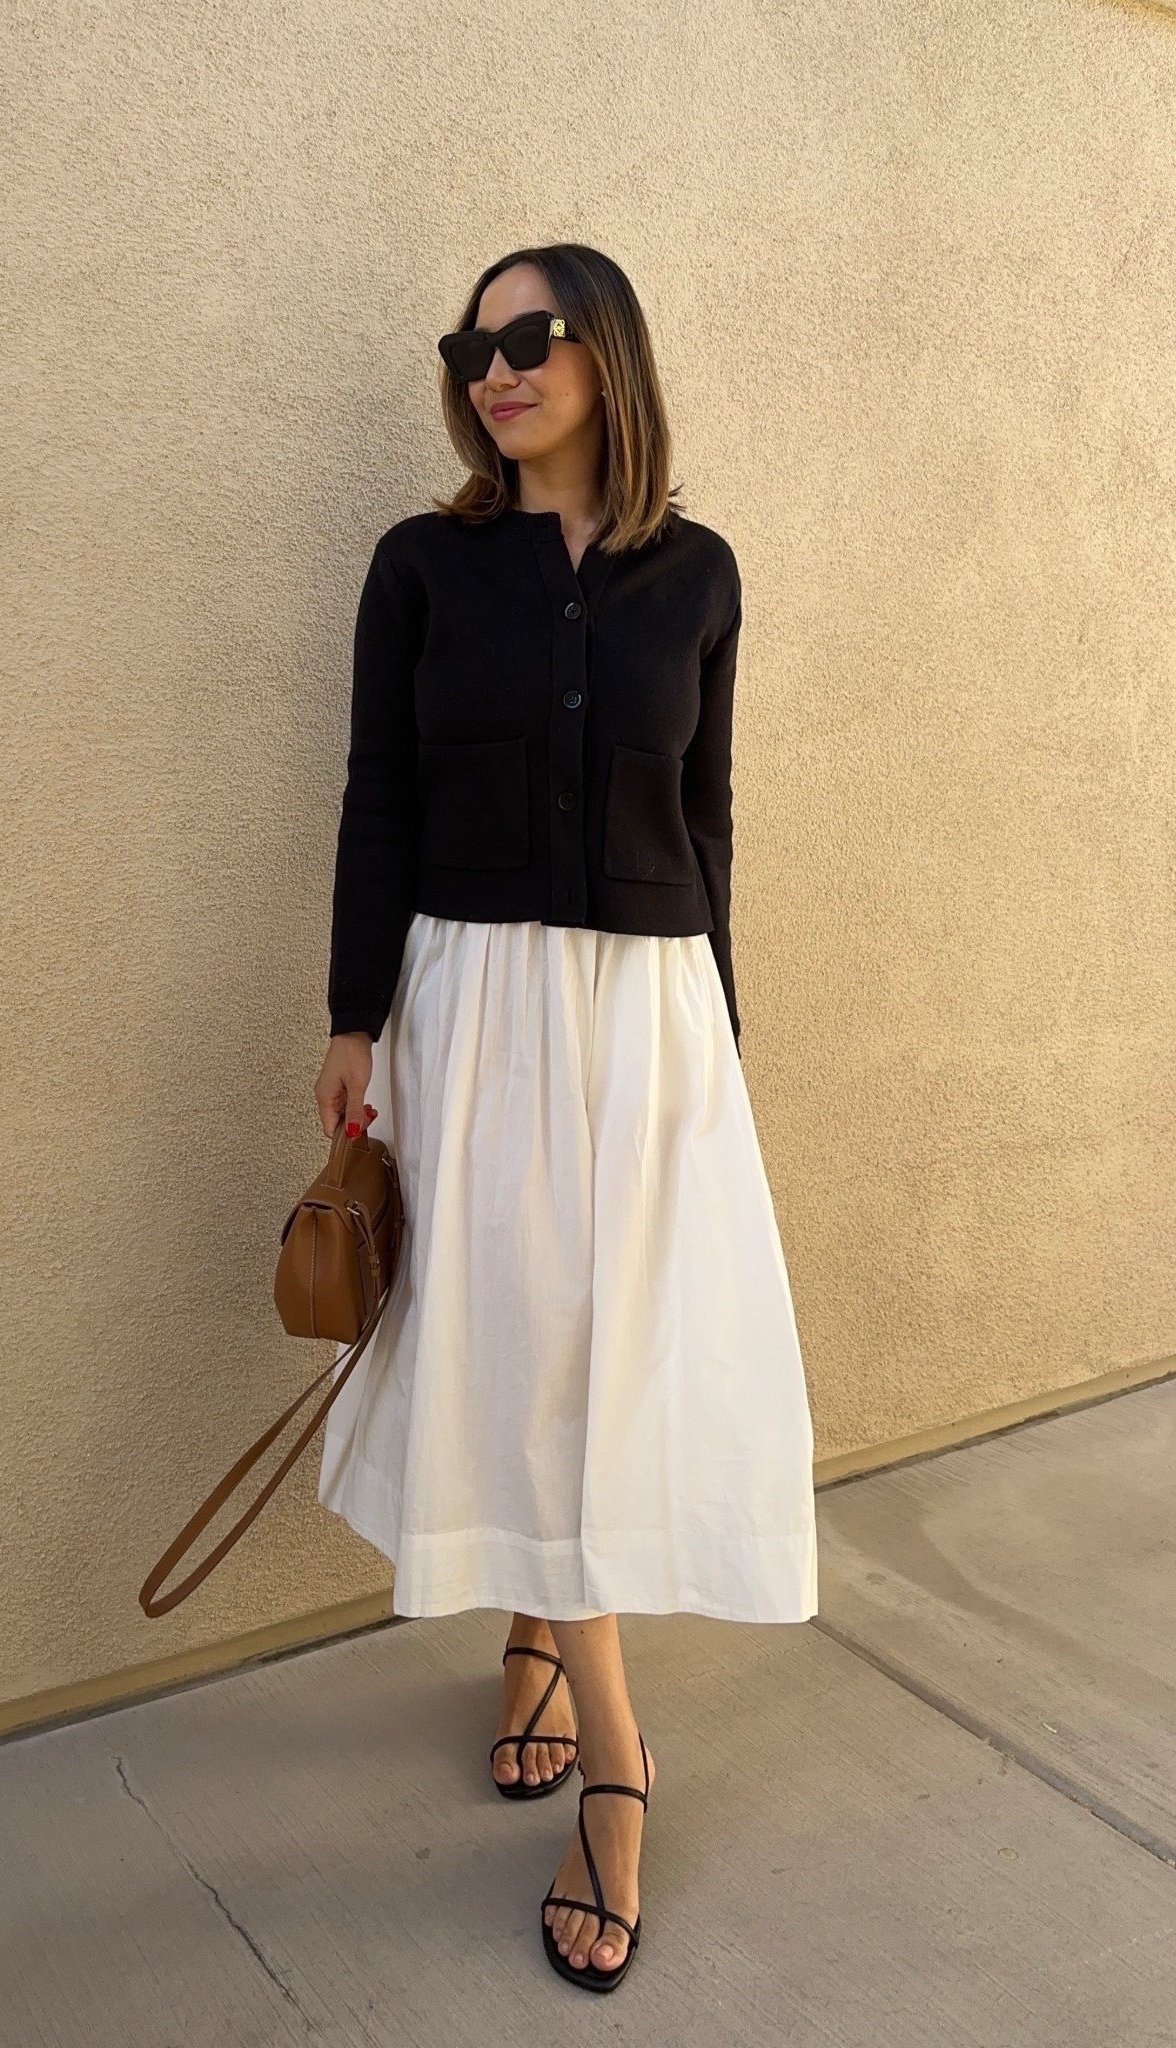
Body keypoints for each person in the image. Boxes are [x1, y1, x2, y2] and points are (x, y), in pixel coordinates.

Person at [311, 241, 819, 1993]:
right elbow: (379, 791)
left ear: (609, 350)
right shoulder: (423, 567)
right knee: (532, 1349)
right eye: (473, 345)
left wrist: (722, 1032)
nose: (495, 369)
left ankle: (541, 1634)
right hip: (475, 1006)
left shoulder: (703, 576)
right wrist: (352, 1013)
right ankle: (619, 1755)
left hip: (651, 1018)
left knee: (612, 1349)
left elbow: (710, 809)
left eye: (530, 338)